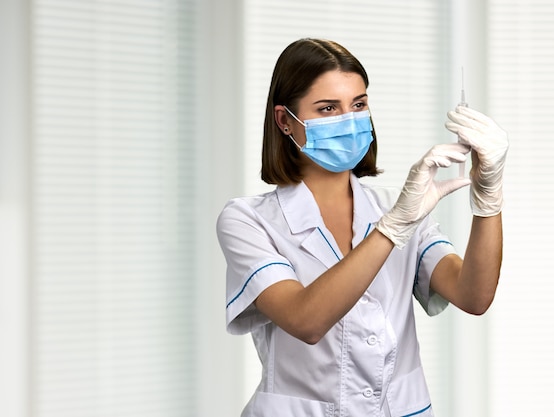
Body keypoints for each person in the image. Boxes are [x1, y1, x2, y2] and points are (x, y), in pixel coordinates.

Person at [216, 38, 508, 417]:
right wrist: (391, 229)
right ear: (285, 120)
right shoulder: (248, 220)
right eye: (327, 109)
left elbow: (473, 295)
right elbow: (306, 320)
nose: (349, 120)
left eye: (358, 104)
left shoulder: (393, 206)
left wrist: (488, 197)